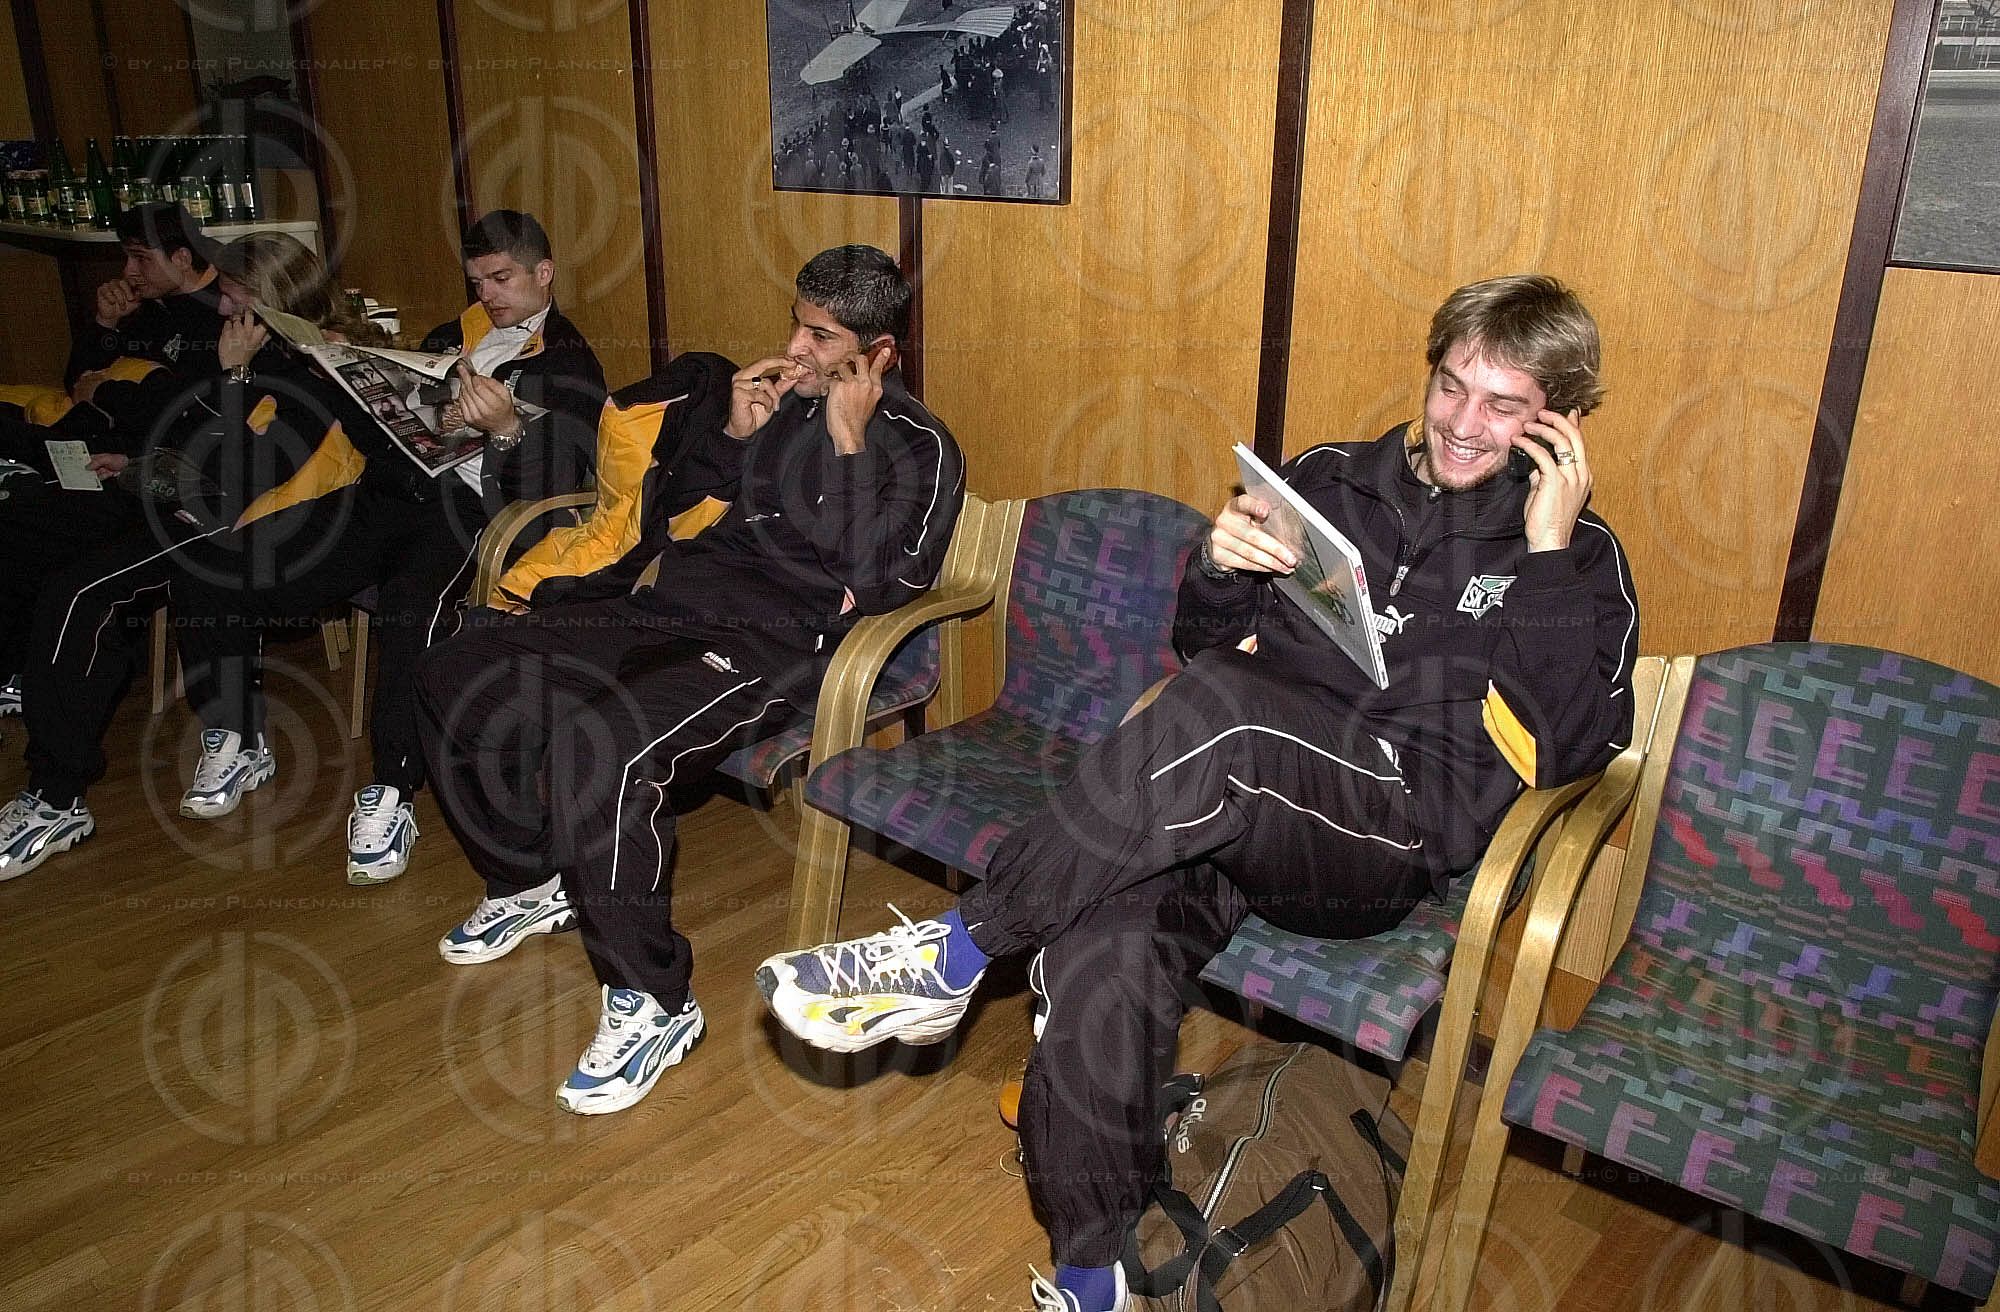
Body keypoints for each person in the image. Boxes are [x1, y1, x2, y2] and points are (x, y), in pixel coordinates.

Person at [757, 274, 1639, 1312]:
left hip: (1378, 837)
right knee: (1097, 946)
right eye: (1451, 385)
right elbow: (1202, 639)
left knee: (1227, 707)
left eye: (1502, 405)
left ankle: (958, 950)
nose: (1461, 421)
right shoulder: (1330, 480)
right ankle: (1094, 1273)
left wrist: (1545, 551)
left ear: (1556, 422)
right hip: (1224, 805)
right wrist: (1219, 568)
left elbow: (1564, 752)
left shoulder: (1578, 558)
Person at [414, 245, 965, 1116]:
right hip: (671, 607)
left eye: (822, 337)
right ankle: (527, 877)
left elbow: (877, 583)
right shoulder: (782, 403)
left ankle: (654, 1002)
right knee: (458, 668)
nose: (796, 347)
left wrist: (849, 442)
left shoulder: (919, 447)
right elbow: (672, 515)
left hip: (776, 644)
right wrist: (732, 437)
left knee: (604, 749)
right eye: (797, 324)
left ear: (881, 353)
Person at [166, 210, 606, 884]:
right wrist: (345, 377)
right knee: (218, 562)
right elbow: (382, 434)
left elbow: (553, 487)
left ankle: (393, 789)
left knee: (411, 610)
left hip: (470, 511)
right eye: (477, 281)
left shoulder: (569, 363)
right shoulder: (449, 336)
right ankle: (237, 733)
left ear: (544, 273)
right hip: (391, 489)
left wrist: (507, 430)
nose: (487, 293)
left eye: (501, 278)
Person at [0, 234, 382, 879]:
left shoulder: (316, 366)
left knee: (82, 595)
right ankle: (22, 687)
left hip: (239, 521)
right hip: (186, 494)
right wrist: (144, 464)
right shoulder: (254, 349)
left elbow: (249, 473)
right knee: (33, 535)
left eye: (232, 294)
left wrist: (230, 380)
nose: (221, 304)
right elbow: (195, 436)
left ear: (270, 299)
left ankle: (55, 797)